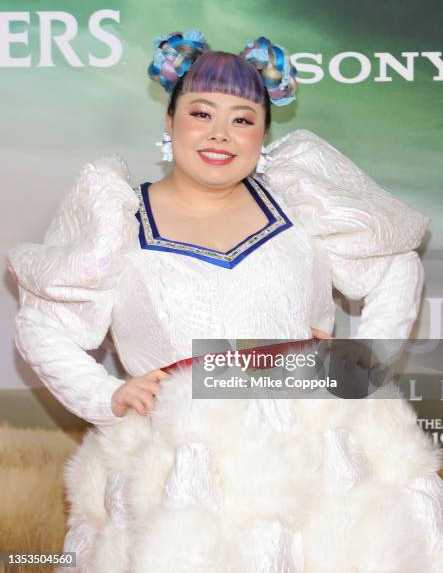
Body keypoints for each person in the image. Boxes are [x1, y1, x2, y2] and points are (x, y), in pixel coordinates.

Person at [6, 29, 443, 572]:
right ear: (169, 121)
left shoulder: (299, 205)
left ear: (263, 132)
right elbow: (44, 326)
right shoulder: (116, 218)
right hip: (179, 457)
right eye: (201, 113)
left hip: (317, 449)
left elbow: (395, 266)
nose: (220, 134)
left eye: (242, 119)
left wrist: (368, 354)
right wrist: (106, 393)